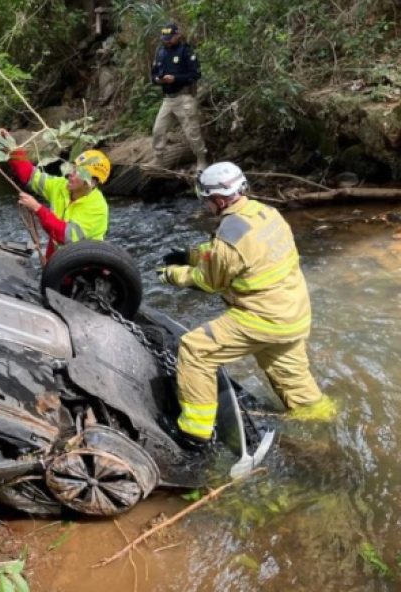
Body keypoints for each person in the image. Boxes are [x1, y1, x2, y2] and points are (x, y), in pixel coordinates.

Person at [157, 161, 335, 449]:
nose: (204, 206)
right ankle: (325, 434)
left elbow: (208, 280)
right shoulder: (267, 213)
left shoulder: (230, 237)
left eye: (205, 200)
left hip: (260, 317)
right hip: (294, 315)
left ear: (217, 199)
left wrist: (173, 274)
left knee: (195, 350)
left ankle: (195, 433)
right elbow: (243, 253)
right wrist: (190, 254)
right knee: (296, 383)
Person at [2, 134, 110, 260]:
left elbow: (66, 236)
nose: (70, 174)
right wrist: (12, 148)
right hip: (56, 259)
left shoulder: (97, 208)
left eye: (77, 172)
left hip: (80, 266)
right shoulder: (61, 186)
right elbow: (31, 176)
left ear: (91, 182)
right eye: (73, 168)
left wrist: (38, 209)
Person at [150, 22, 208, 171]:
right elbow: (154, 73)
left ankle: (201, 160)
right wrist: (158, 79)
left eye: (170, 37)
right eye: (165, 38)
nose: (167, 40)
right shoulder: (160, 51)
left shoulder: (185, 51)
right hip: (168, 99)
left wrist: (175, 78)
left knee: (192, 132)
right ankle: (159, 160)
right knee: (158, 130)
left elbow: (195, 74)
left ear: (178, 35)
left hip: (184, 97)